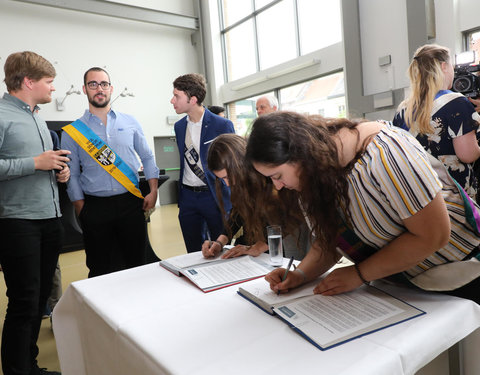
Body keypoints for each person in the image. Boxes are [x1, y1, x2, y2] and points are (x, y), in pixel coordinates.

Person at [246, 111, 480, 305]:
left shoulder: (386, 154)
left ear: (301, 153)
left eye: (277, 176)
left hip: (463, 273)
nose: (278, 186)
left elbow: (433, 235)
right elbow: (330, 240)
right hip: (410, 286)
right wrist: (300, 274)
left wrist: (359, 274)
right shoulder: (315, 174)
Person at [0, 51, 70, 375]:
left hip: (49, 219)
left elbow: (41, 162)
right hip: (18, 222)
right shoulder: (1, 115)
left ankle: (31, 366)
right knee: (24, 303)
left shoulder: (37, 116)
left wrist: (57, 171)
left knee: (40, 299)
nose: (53, 88)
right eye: (49, 82)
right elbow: (28, 163)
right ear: (28, 81)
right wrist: (36, 163)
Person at [61, 67, 159, 277]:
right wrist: (81, 208)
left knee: (137, 264)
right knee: (99, 269)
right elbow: (73, 175)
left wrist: (153, 190)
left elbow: (148, 157)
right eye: (93, 84)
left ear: (111, 88)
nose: (99, 89)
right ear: (84, 89)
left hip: (131, 204)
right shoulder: (73, 131)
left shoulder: (130, 122)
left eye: (104, 84)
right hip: (95, 206)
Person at [393, 44, 480, 200]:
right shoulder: (456, 102)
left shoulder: (402, 110)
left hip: (419, 195)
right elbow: (468, 155)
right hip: (454, 197)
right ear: (444, 66)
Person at [201, 134, 303, 259]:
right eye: (222, 179)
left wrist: (261, 246)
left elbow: (291, 218)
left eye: (228, 176)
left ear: (240, 164)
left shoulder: (271, 177)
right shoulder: (240, 181)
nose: (227, 183)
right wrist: (220, 241)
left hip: (286, 242)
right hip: (260, 243)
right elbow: (238, 211)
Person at [171, 73, 235, 253]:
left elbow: (233, 163)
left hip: (214, 196)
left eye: (177, 96)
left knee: (219, 247)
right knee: (192, 250)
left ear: (193, 99)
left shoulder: (222, 125)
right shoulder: (179, 126)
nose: (172, 100)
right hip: (188, 198)